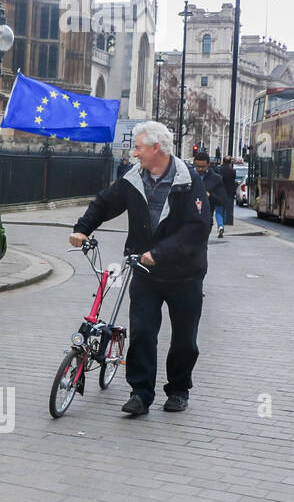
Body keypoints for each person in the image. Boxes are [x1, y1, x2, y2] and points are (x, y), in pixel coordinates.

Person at [69, 121, 211, 416]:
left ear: (156, 148)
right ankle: (140, 393)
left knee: (185, 338)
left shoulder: (188, 180)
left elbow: (197, 230)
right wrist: (82, 229)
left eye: (139, 148)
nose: (134, 154)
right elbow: (105, 202)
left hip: (185, 274)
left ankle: (178, 389)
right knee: (143, 332)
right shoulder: (135, 177)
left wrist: (158, 253)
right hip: (146, 273)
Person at [195, 151, 228, 238]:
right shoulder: (189, 176)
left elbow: (222, 199)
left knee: (200, 247)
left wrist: (210, 195)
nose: (200, 169)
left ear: (208, 164)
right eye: (197, 166)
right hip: (189, 219)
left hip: (206, 219)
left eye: (203, 167)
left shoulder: (216, 179)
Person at [217, 156, 237, 229]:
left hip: (220, 191)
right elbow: (233, 181)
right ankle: (228, 221)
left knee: (220, 208)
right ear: (230, 162)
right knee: (228, 207)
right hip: (229, 191)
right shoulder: (232, 171)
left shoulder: (218, 169)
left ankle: (221, 221)